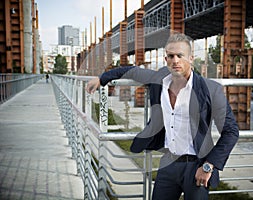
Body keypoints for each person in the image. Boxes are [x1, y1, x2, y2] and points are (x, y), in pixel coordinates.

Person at [86, 33, 239, 200]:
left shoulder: (211, 89)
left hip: (198, 165)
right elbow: (132, 71)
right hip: (168, 162)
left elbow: (231, 131)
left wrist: (209, 166)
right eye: (171, 56)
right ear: (166, 59)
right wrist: (102, 78)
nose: (175, 60)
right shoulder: (159, 80)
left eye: (180, 55)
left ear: (191, 58)